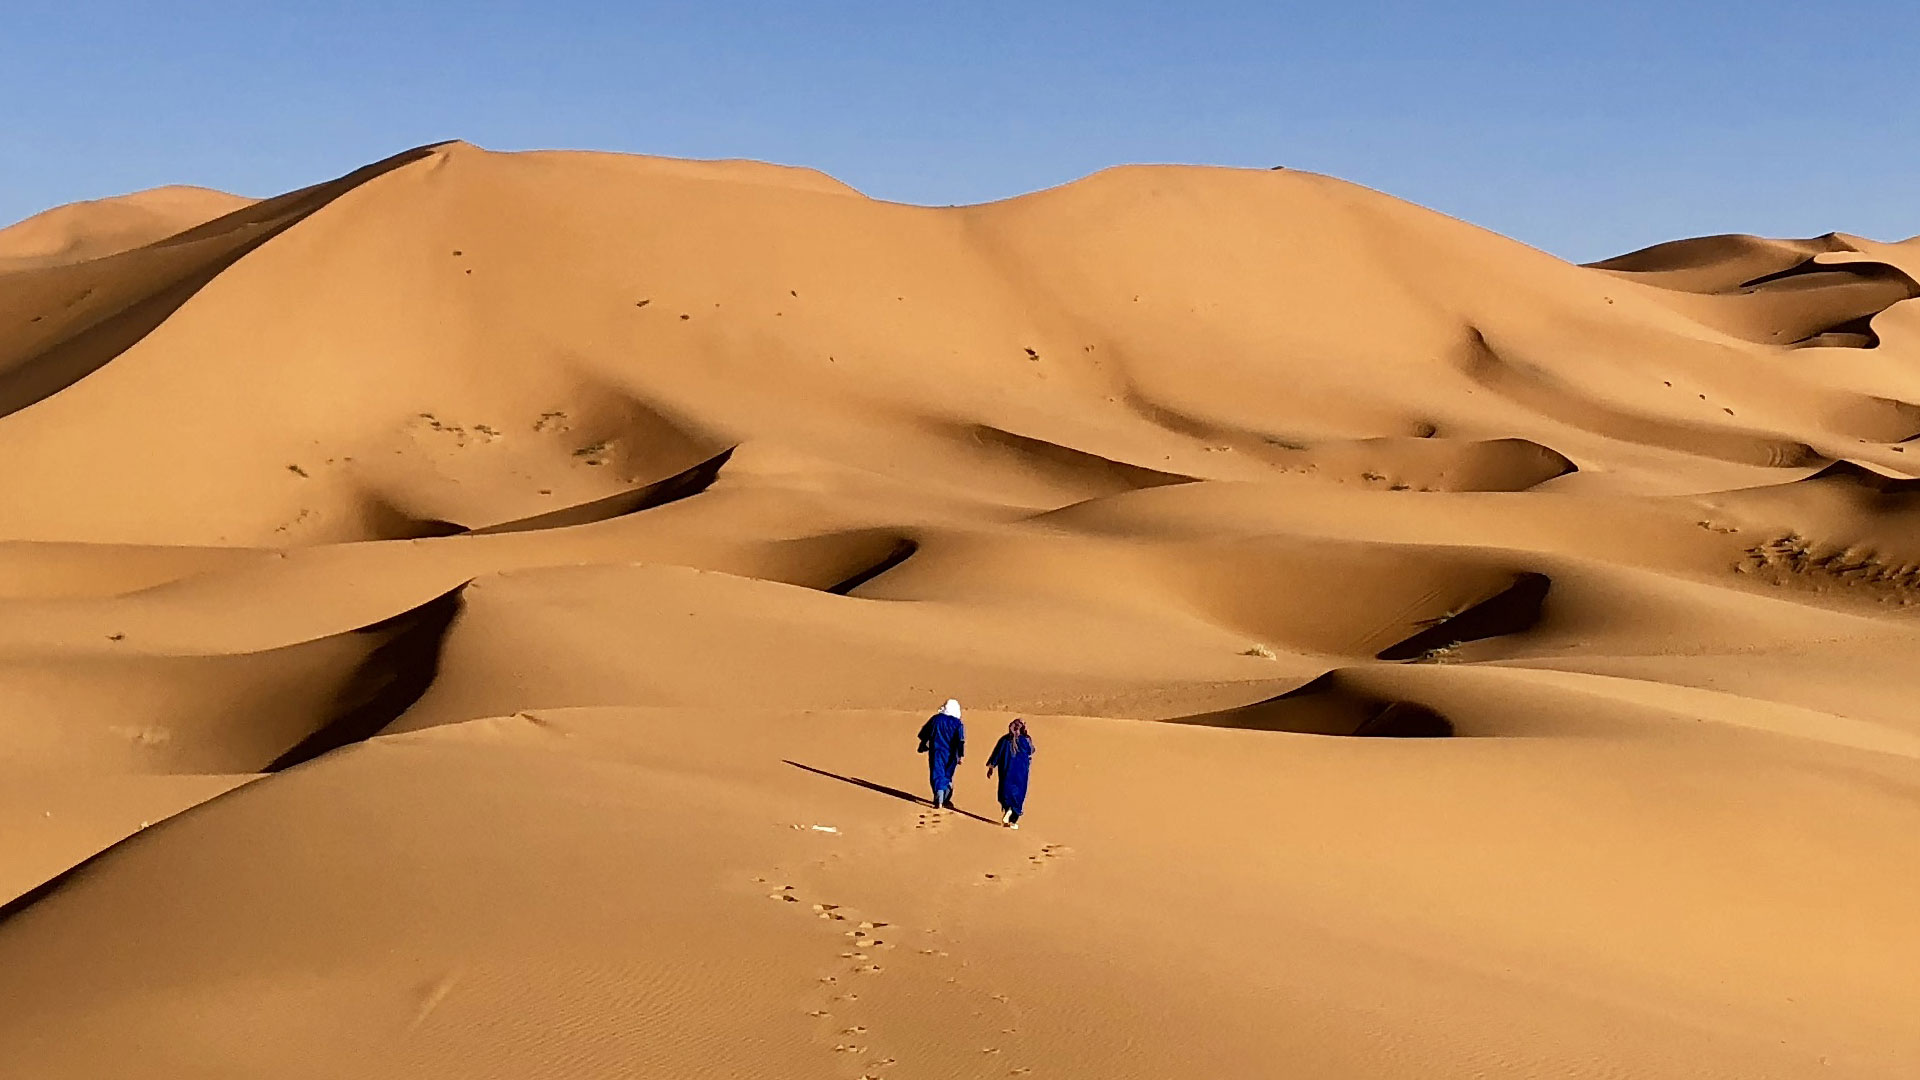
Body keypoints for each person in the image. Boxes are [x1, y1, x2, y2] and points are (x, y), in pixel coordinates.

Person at [986, 719, 1035, 828]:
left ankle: (1008, 812)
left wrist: (991, 767)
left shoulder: (1004, 740)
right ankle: (1012, 819)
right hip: (1021, 773)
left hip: (1006, 771)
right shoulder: (1025, 740)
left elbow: (997, 754)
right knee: (1019, 794)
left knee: (1006, 793)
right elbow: (1031, 750)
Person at [917, 699, 965, 809]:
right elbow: (960, 740)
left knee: (937, 773)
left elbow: (925, 732)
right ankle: (944, 795)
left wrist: (923, 744)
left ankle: (939, 796)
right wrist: (960, 755)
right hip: (951, 755)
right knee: (947, 775)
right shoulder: (958, 724)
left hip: (936, 752)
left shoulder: (936, 719)